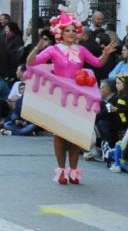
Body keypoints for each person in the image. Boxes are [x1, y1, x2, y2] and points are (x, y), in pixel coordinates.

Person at [25, 11, 117, 185]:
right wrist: (37, 47)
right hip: (60, 95)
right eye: (68, 30)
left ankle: (74, 170)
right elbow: (31, 63)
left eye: (74, 30)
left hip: (78, 96)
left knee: (75, 134)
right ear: (60, 32)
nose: (72, 33)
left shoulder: (81, 50)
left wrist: (105, 53)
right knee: (60, 134)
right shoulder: (53, 49)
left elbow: (97, 63)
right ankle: (61, 170)